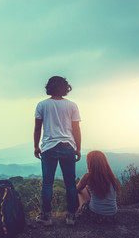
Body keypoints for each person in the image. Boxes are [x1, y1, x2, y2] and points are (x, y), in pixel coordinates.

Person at [34, 76, 81, 226]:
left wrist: (36, 146)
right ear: (65, 88)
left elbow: (37, 128)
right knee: (70, 184)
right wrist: (78, 148)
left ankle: (46, 217)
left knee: (47, 184)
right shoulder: (72, 105)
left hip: (49, 147)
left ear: (49, 87)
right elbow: (76, 129)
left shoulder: (42, 105)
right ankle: (71, 216)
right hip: (68, 146)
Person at [77, 150, 120, 223]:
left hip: (96, 216)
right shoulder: (111, 177)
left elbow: (77, 189)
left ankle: (79, 209)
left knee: (81, 190)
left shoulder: (88, 177)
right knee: (88, 189)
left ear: (90, 163)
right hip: (113, 216)